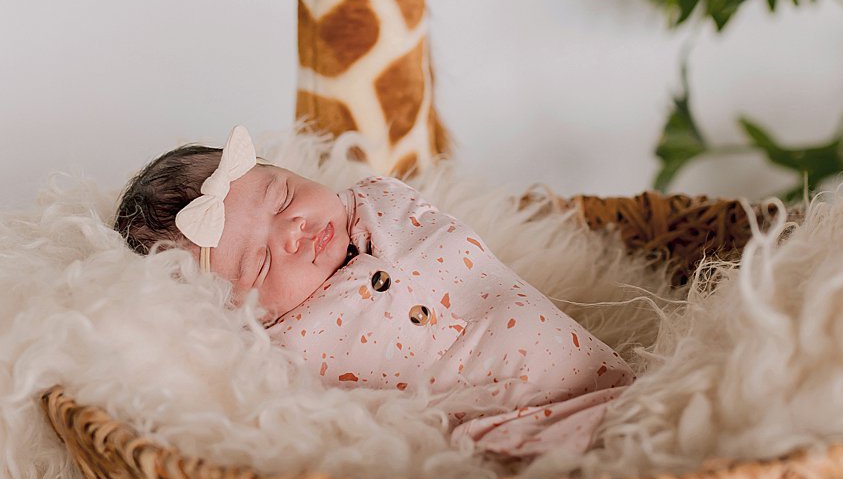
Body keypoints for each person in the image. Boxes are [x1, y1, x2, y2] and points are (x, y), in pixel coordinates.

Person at [111, 132, 630, 462]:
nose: (293, 227)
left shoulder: (381, 205)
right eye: (262, 263)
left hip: (605, 379)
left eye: (284, 196)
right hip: (516, 443)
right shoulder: (283, 348)